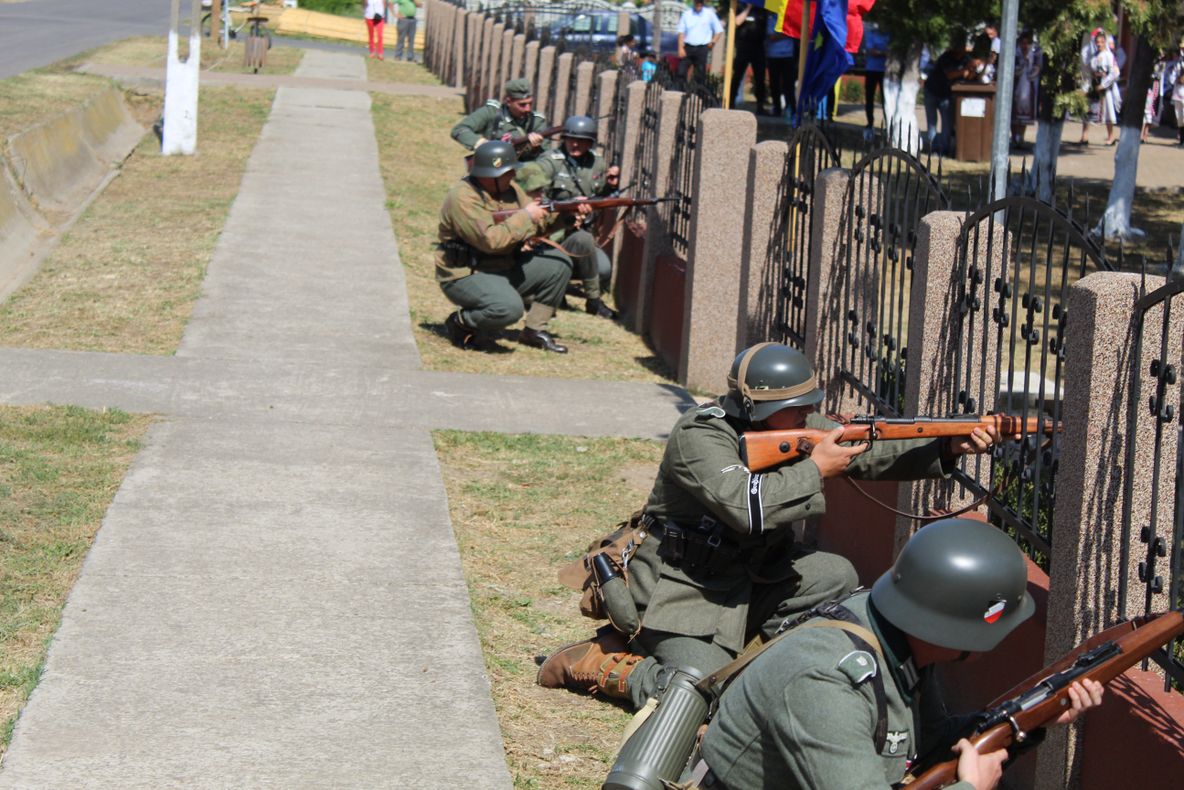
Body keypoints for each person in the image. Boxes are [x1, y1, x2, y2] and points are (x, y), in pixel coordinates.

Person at [536, 342, 1002, 708]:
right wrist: (817, 468)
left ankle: (737, 657)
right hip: (684, 590)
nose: (807, 414)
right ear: (755, 407)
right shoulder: (699, 436)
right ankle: (600, 662)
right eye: (796, 407)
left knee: (834, 575)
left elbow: (867, 448)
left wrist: (946, 447)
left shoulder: (792, 425)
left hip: (752, 578)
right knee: (696, 693)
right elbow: (744, 505)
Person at [691, 518, 1105, 790]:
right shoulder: (825, 684)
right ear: (953, 628)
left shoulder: (898, 635)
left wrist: (1033, 716)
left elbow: (931, 743)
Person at [435, 140, 581, 354]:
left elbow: (536, 224)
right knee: (509, 309)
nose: (514, 176)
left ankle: (534, 330)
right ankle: (460, 322)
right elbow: (491, 241)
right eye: (509, 172)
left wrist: (566, 216)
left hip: (503, 265)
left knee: (558, 264)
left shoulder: (510, 190)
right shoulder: (463, 197)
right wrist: (526, 216)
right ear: (492, 174)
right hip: (466, 273)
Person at [531, 116, 622, 319]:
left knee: (604, 269)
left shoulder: (597, 164)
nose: (575, 144)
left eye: (581, 140)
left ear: (590, 143)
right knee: (582, 242)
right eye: (570, 139)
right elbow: (536, 199)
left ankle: (581, 295)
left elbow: (600, 197)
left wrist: (611, 186)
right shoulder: (550, 162)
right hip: (551, 234)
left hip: (579, 234)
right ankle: (580, 296)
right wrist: (568, 208)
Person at [450, 79, 549, 163]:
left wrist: (535, 148)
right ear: (508, 101)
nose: (528, 109)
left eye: (530, 103)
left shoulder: (537, 121)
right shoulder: (491, 112)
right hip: (493, 168)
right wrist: (481, 143)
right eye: (522, 105)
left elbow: (545, 156)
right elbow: (459, 130)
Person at [924, 31, 973, 155]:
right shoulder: (946, 57)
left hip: (946, 95)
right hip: (932, 91)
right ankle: (933, 149)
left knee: (947, 124)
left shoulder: (966, 59)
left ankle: (944, 150)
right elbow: (950, 74)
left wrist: (974, 67)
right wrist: (965, 69)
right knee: (932, 123)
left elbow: (969, 76)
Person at [730, 4, 769, 115]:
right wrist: (748, 8)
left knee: (760, 78)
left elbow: (765, 29)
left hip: (758, 47)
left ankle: (760, 105)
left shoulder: (761, 9)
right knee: (737, 75)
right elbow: (736, 22)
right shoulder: (740, 7)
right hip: (743, 46)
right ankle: (731, 101)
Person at [676, 0, 724, 83]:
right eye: (697, 2)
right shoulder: (687, 14)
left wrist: (713, 42)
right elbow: (681, 32)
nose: (699, 4)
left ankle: (697, 93)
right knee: (681, 71)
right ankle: (680, 91)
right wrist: (680, 48)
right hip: (688, 47)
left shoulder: (709, 14)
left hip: (702, 48)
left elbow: (719, 30)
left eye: (700, 2)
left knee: (700, 73)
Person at [1088, 30, 1122, 146]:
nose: (1099, 44)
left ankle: (1111, 137)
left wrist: (1104, 83)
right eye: (1097, 42)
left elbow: (1115, 72)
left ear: (1104, 42)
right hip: (1096, 85)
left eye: (1101, 42)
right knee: (1096, 111)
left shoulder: (1108, 55)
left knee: (1109, 112)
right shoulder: (1095, 56)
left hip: (1107, 87)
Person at [1011, 31, 1041, 146]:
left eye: (1027, 44)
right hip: (1016, 88)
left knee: (1024, 116)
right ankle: (1014, 137)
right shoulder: (1015, 54)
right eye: (1022, 43)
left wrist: (1032, 73)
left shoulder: (1034, 54)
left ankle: (1021, 138)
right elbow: (1013, 70)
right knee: (1014, 114)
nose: (1025, 46)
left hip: (1028, 88)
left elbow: (1037, 68)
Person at [765, 13, 796, 121]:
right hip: (773, 55)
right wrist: (786, 33)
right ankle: (777, 108)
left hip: (788, 56)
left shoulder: (790, 18)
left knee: (789, 85)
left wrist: (782, 34)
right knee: (774, 84)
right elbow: (771, 36)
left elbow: (794, 33)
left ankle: (792, 109)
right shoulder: (771, 18)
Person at [861, 23, 889, 130]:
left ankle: (888, 123)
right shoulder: (871, 33)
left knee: (885, 99)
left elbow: (889, 51)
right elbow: (871, 51)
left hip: (884, 70)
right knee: (869, 97)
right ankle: (870, 122)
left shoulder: (889, 35)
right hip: (871, 69)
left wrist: (880, 52)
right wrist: (884, 52)